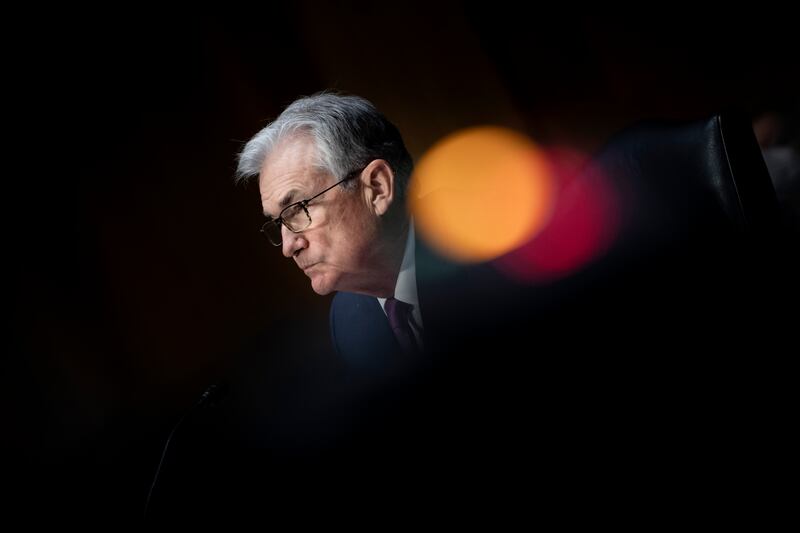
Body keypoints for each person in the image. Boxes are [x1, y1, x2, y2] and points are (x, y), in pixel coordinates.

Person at [235, 92, 427, 382]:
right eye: (278, 222)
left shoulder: (485, 253)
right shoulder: (349, 319)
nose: (288, 247)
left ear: (376, 188)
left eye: (297, 208)